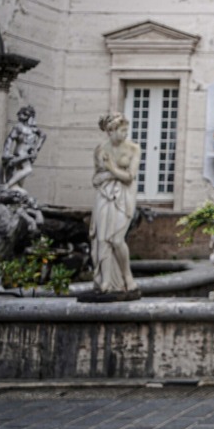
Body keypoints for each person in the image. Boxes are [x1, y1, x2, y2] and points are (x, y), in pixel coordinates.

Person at [87, 113, 140, 299]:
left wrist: (110, 169)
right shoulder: (100, 149)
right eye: (122, 131)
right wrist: (112, 174)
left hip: (124, 196)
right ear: (110, 131)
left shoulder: (134, 149)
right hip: (104, 194)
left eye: (126, 130)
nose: (125, 134)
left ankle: (127, 276)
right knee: (102, 239)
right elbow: (95, 179)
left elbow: (129, 177)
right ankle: (106, 281)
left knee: (117, 239)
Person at [1, 106, 46, 191]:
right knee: (27, 169)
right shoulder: (19, 127)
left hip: (28, 153)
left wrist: (36, 149)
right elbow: (10, 139)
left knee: (20, 172)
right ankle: (7, 186)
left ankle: (15, 188)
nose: (19, 116)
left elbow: (43, 136)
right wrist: (6, 152)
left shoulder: (33, 129)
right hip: (21, 152)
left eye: (22, 114)